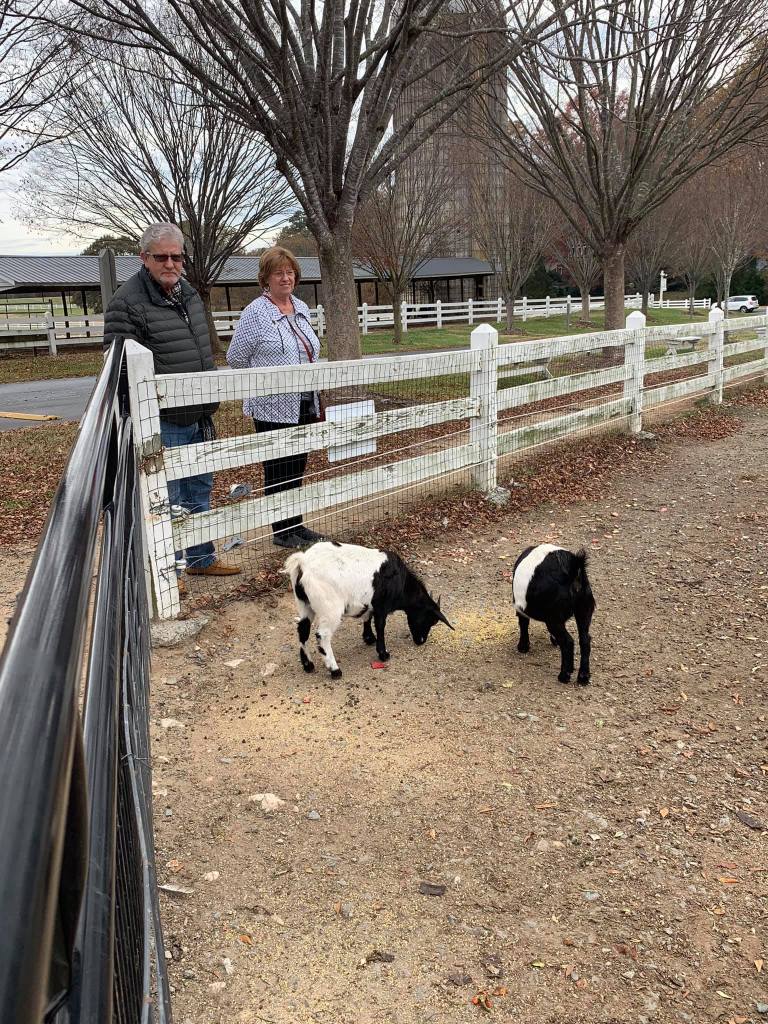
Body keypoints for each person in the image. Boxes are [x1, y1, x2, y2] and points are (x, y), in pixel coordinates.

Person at [104, 222, 241, 587]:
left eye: (176, 257)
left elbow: (201, 349)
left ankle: (200, 558)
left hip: (199, 413)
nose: (170, 264)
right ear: (144, 258)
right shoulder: (127, 302)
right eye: (161, 257)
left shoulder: (188, 294)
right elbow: (119, 367)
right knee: (168, 496)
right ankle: (170, 570)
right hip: (164, 418)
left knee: (199, 488)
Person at [227, 246, 326, 549]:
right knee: (278, 468)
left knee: (297, 465)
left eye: (289, 272)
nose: (285, 278)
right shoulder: (256, 313)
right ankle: (281, 531)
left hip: (304, 401)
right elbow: (235, 358)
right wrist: (264, 380)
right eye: (278, 273)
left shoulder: (301, 307)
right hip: (272, 407)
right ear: (266, 278)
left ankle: (296, 524)